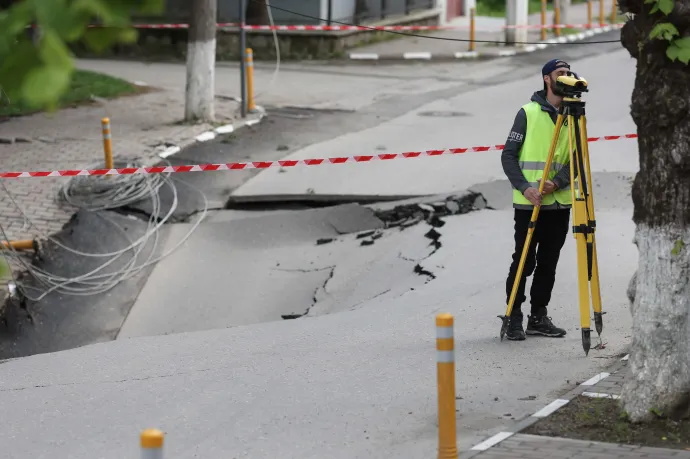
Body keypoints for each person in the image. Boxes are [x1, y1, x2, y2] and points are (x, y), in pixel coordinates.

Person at [500, 58, 575, 341]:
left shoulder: (574, 116)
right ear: (547, 79)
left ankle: (538, 316)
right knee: (523, 260)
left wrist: (557, 183)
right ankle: (513, 316)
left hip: (559, 202)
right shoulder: (528, 113)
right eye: (561, 73)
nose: (566, 77)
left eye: (568, 73)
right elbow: (508, 156)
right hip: (529, 202)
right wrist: (524, 187)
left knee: (549, 262)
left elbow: (578, 160)